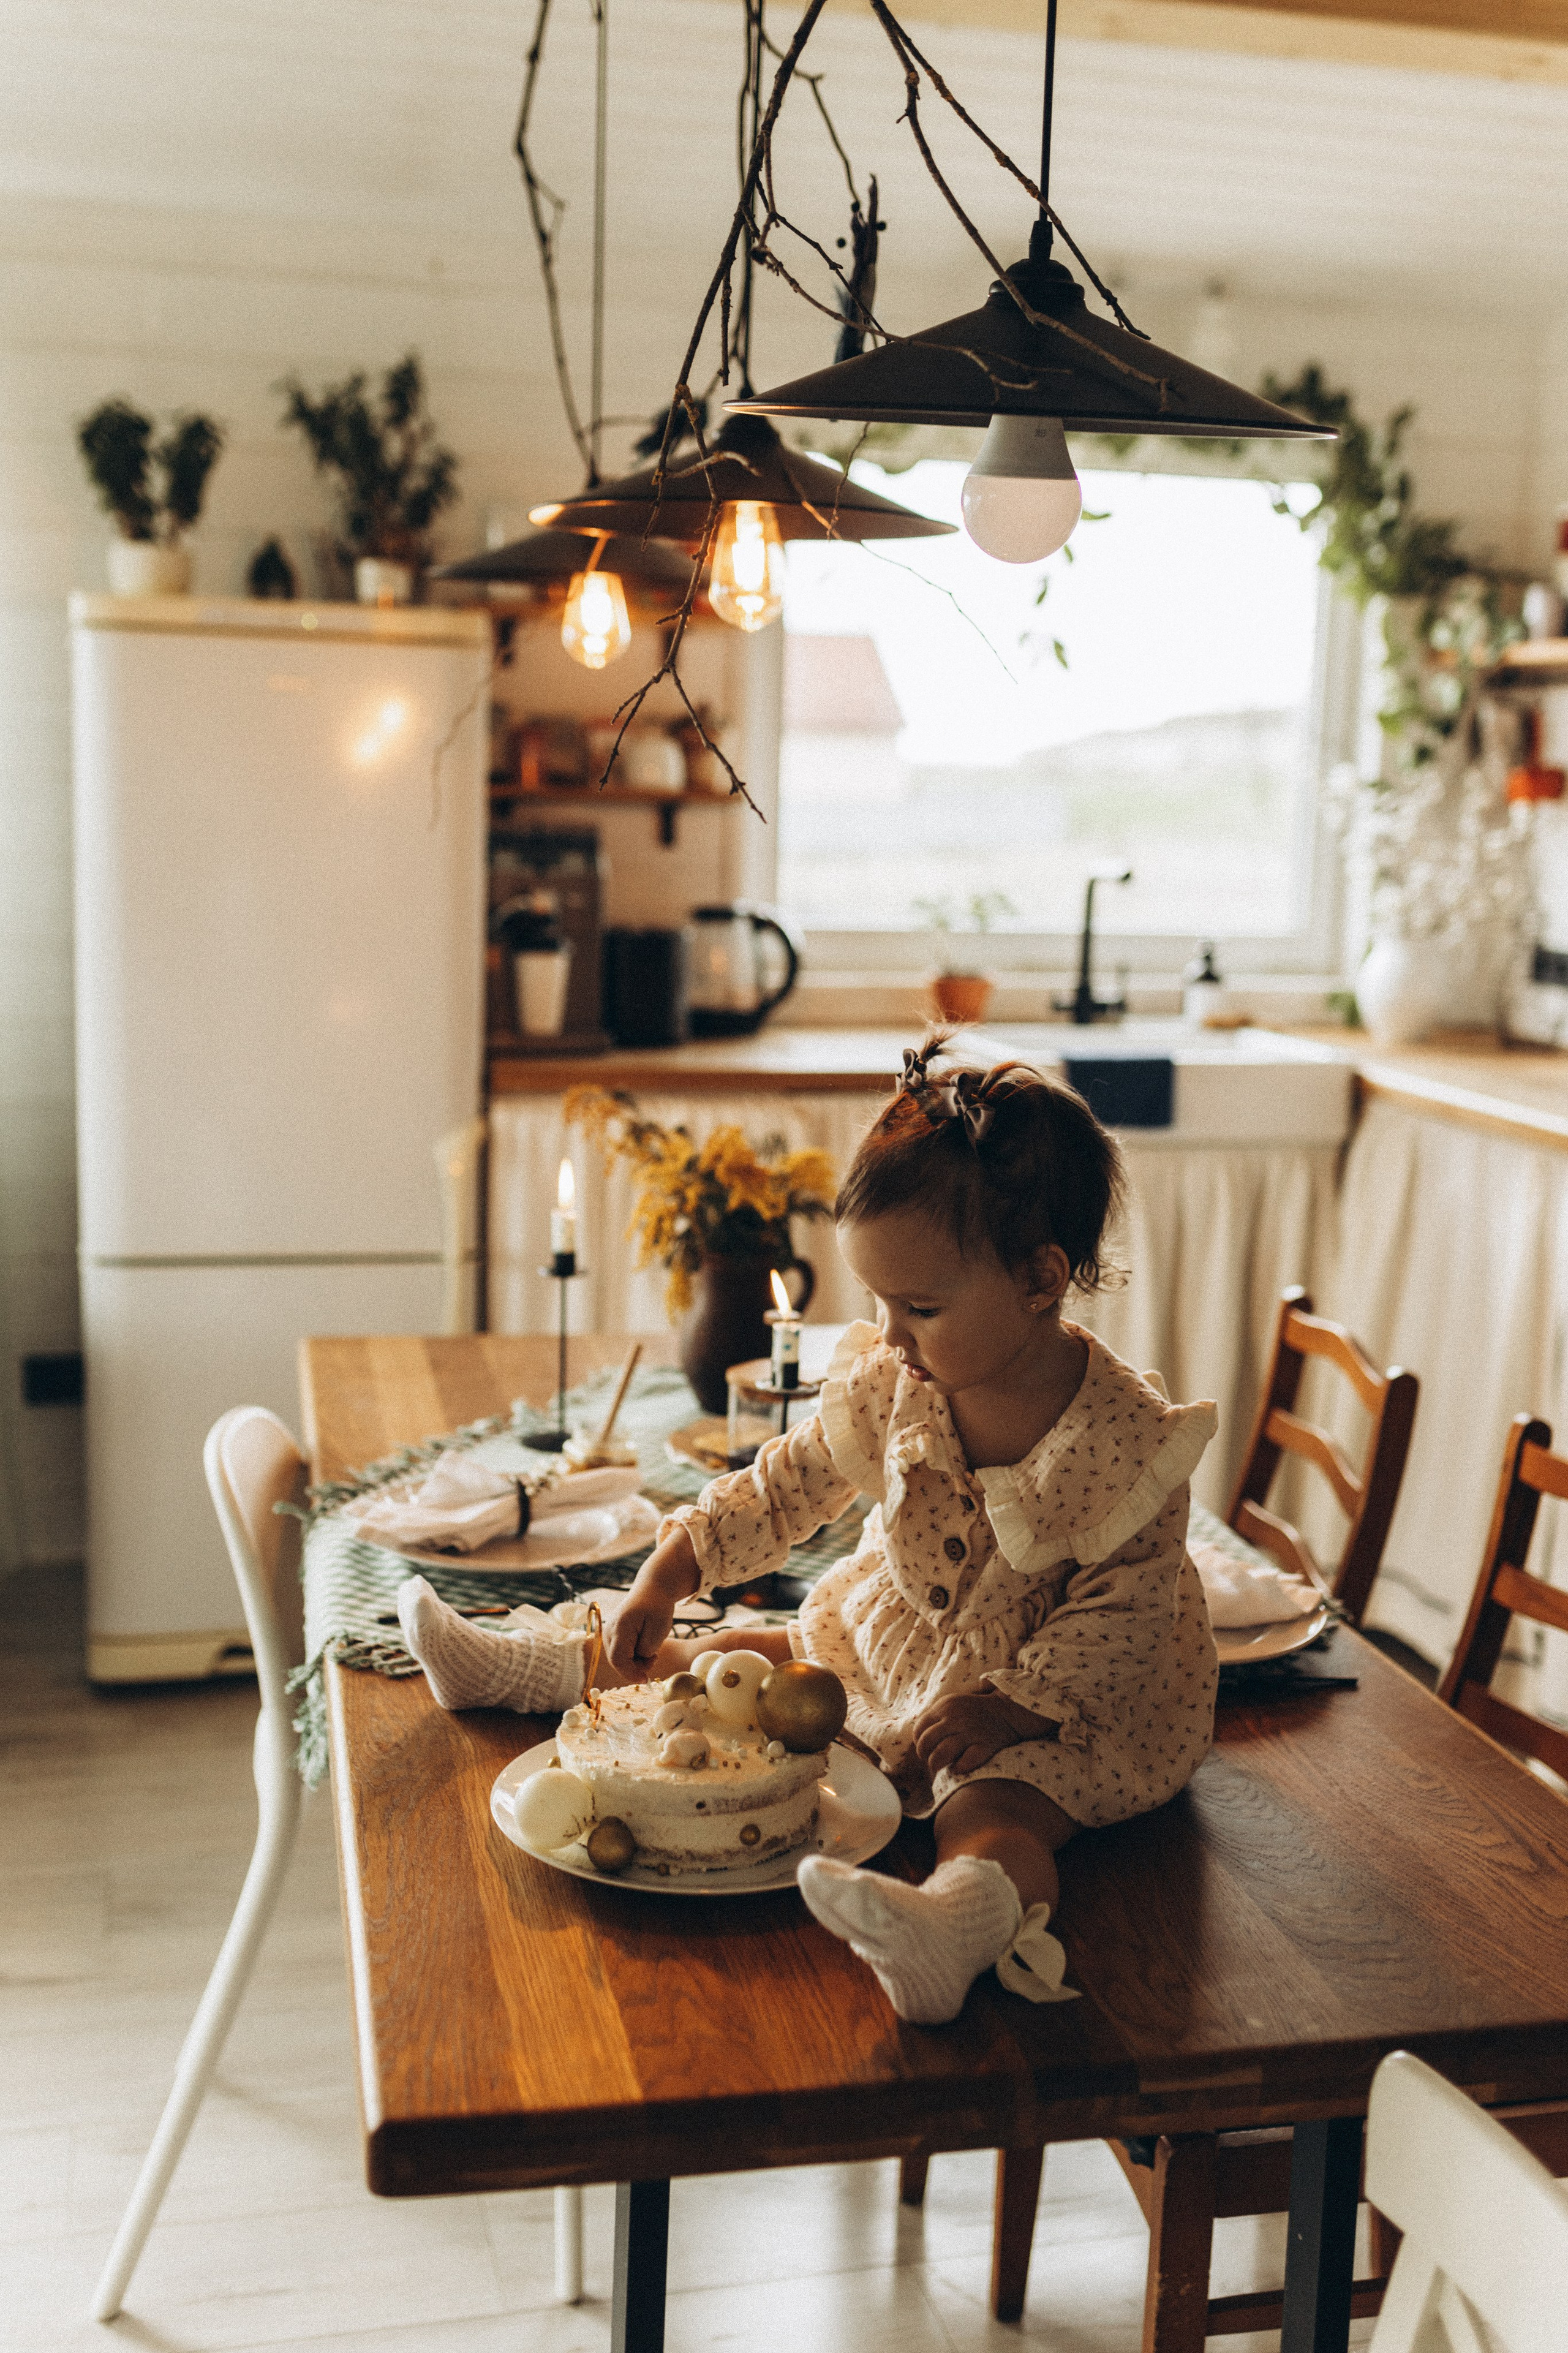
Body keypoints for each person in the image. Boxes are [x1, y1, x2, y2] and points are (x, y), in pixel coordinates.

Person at [402, 1033, 1218, 2024]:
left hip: (1060, 1709)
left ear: (1042, 1280)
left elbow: (1124, 1623)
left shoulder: (1127, 1445)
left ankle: (951, 1925)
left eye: (919, 1305)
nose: (889, 1334)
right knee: (727, 1662)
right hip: (894, 1645)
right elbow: (786, 1486)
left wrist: (1007, 1709)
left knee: (990, 1806)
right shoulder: (896, 1375)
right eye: (876, 1301)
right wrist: (674, 1566)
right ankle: (522, 1673)